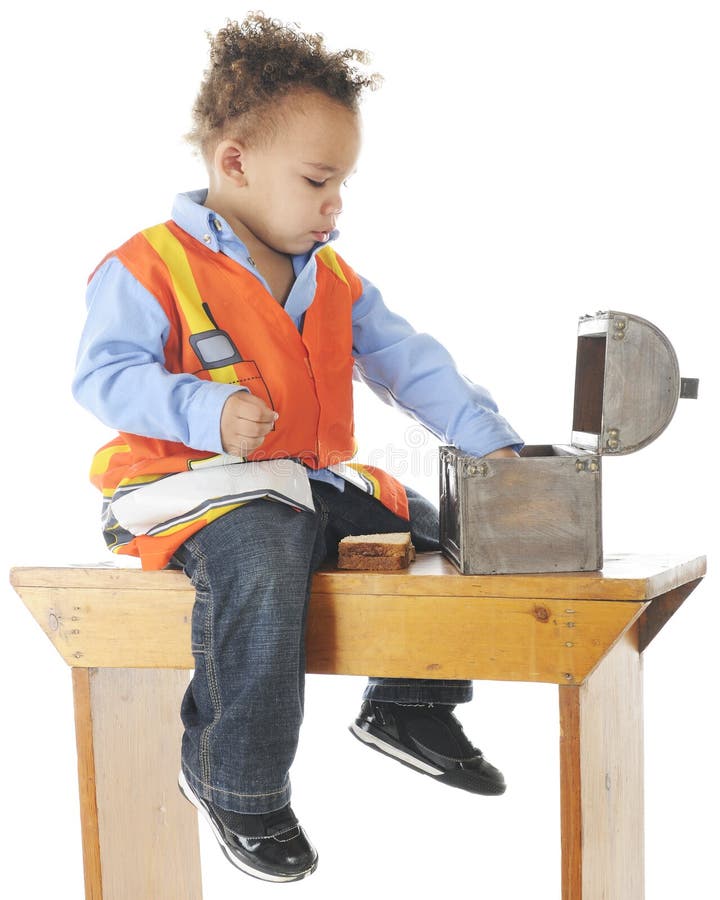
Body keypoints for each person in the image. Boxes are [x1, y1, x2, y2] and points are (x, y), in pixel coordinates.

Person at [72, 12, 522, 884]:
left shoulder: (333, 276)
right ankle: (236, 782)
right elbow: (101, 377)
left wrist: (493, 451)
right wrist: (201, 410)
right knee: (264, 547)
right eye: (319, 180)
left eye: (343, 184)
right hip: (185, 493)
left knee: (441, 525)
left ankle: (409, 703)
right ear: (234, 161)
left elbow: (412, 367)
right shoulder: (149, 264)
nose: (334, 205)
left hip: (294, 483)